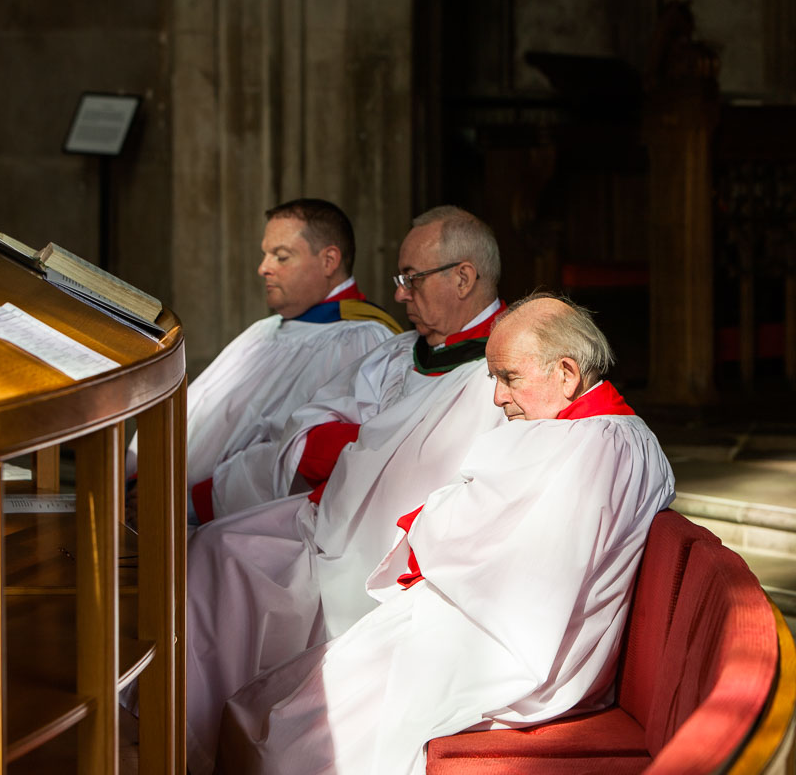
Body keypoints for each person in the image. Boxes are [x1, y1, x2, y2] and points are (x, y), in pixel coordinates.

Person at [210, 294, 676, 775]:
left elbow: (512, 554)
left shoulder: (593, 445)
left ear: (566, 373)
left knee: (302, 729)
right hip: (492, 620)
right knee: (287, 700)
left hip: (515, 646)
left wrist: (427, 525)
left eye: (509, 378)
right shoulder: (596, 435)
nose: (497, 397)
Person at [186, 207, 511, 772]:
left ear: (463, 278)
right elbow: (311, 423)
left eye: (413, 278)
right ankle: (194, 734)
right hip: (331, 517)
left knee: (256, 568)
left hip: (389, 552)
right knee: (215, 547)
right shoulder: (400, 352)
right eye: (400, 278)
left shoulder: (500, 371)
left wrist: (363, 448)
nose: (401, 295)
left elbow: (435, 474)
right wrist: (363, 449)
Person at [126, 198, 400, 523]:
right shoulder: (266, 330)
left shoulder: (360, 340)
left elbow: (292, 455)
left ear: (329, 261)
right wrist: (146, 477)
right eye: (265, 254)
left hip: (241, 526)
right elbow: (201, 410)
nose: (263, 268)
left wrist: (187, 502)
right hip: (164, 505)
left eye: (281, 256)